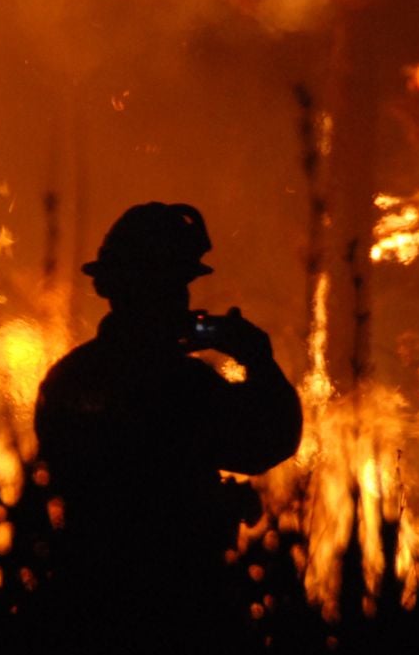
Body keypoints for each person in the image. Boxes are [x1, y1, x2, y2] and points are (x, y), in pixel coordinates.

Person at [33, 202, 302, 622]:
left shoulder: (67, 378)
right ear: (160, 290)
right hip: (180, 602)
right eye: (178, 286)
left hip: (84, 599)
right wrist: (257, 359)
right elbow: (269, 440)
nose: (184, 302)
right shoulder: (181, 384)